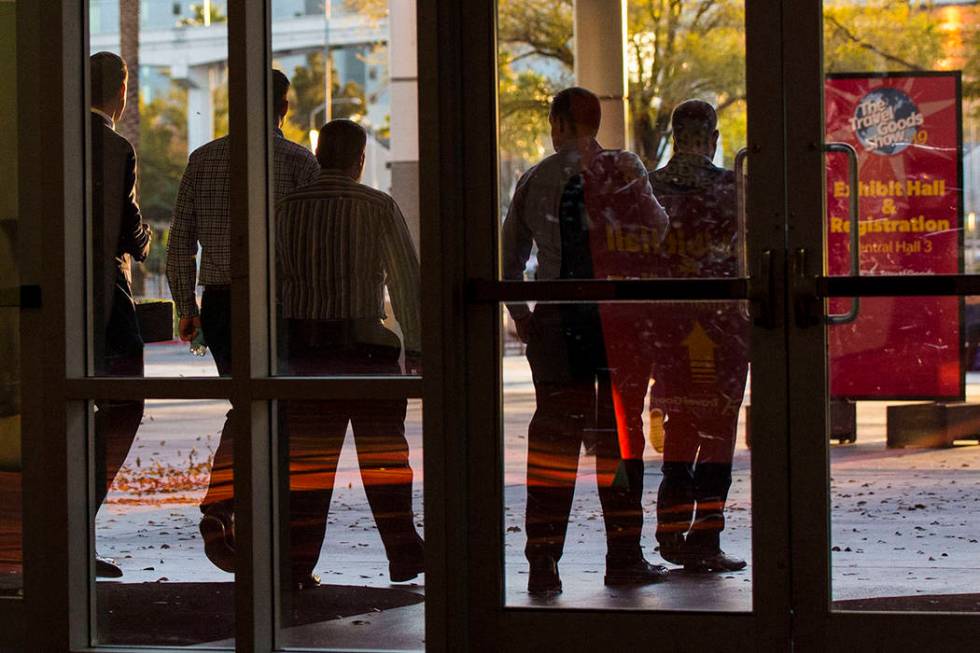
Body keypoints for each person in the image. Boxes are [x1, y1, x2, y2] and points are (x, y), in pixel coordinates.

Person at [502, 87, 669, 595]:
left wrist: (523, 316)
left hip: (556, 325)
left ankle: (543, 562)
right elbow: (658, 229)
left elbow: (509, 260)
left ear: (556, 124)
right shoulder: (626, 168)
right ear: (596, 122)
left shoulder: (534, 179)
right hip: (614, 326)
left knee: (553, 441)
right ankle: (623, 556)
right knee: (616, 441)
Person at [166, 69, 320, 572]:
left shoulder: (203, 158)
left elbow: (180, 241)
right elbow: (311, 242)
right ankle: (239, 513)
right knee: (276, 410)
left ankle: (225, 505)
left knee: (245, 401)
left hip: (223, 303)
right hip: (281, 302)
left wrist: (186, 308)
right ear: (285, 108)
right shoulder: (300, 162)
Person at [275, 119, 424, 588]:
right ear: (360, 160)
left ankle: (296, 562)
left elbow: (270, 282)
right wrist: (417, 347)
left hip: (304, 352)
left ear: (318, 155)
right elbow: (405, 281)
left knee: (308, 463)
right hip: (366, 351)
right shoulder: (377, 205)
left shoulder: (283, 209)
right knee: (384, 458)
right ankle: (403, 553)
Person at [648, 99, 749, 573]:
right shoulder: (732, 187)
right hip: (723, 324)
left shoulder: (652, 186)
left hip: (667, 325)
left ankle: (669, 527)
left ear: (674, 135)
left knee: (679, 424)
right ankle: (706, 535)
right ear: (711, 138)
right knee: (718, 429)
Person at [89, 51, 153, 578]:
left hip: (57, 295)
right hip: (105, 297)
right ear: (120, 91)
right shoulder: (113, 146)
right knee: (124, 403)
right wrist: (146, 241)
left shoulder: (51, 142)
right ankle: (79, 518)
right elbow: (126, 227)